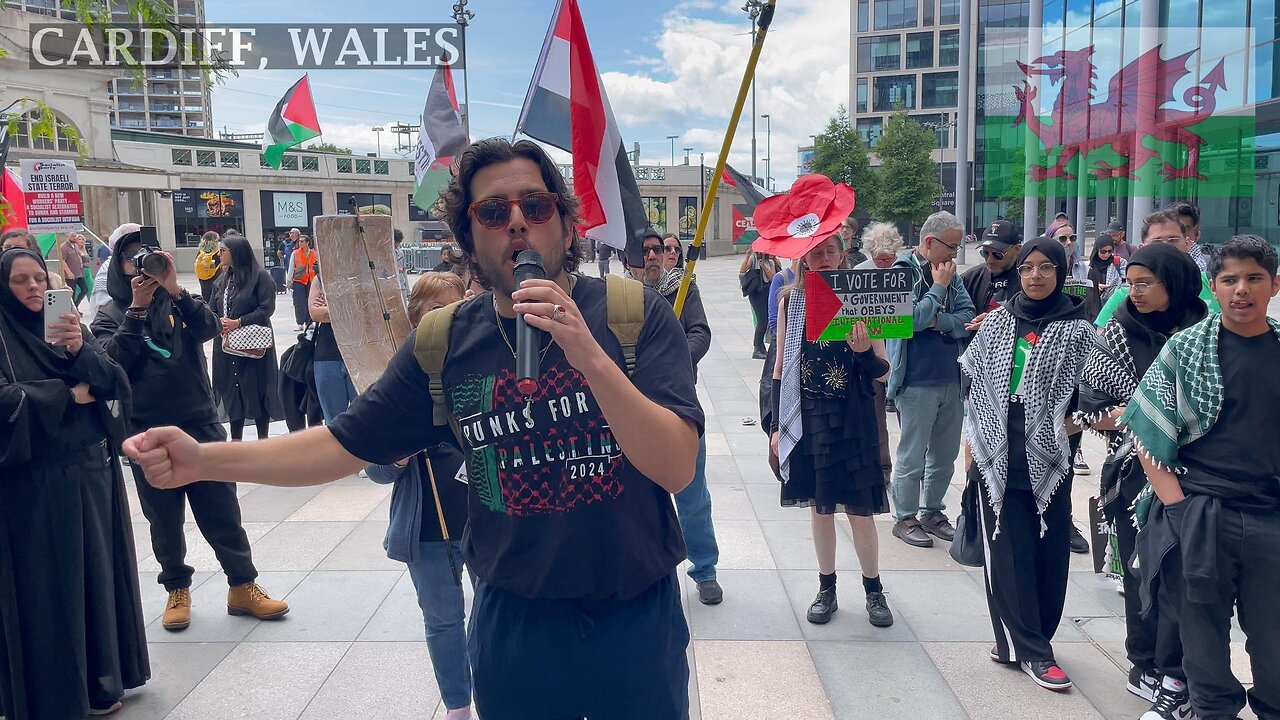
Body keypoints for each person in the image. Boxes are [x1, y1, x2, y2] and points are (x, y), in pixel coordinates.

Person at [123, 137, 702, 720]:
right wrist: (202, 461)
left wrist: (591, 358)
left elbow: (677, 467)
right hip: (516, 623)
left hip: (635, 616)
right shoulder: (445, 342)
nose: (519, 223)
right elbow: (341, 443)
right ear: (470, 239)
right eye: (494, 212)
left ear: (568, 225)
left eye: (537, 205)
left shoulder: (634, 313)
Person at [90, 231, 288, 632]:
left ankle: (242, 585)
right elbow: (112, 365)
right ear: (119, 269)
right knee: (163, 517)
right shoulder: (111, 314)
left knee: (222, 508)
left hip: (199, 421)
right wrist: (137, 310)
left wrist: (175, 288)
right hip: (146, 429)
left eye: (148, 259)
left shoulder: (181, 305)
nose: (142, 268)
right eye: (131, 261)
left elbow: (210, 327)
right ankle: (176, 588)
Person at [1123, 235, 1280, 720]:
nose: (1242, 290)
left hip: (1271, 519)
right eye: (1230, 279)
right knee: (1203, 648)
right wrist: (1178, 509)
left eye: (1254, 278)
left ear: (1275, 284)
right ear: (1213, 286)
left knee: (1274, 645)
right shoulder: (1187, 349)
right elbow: (1148, 435)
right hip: (1201, 514)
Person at [0, 248, 150, 719]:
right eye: (20, 281)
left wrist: (79, 351)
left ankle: (101, 680)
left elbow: (115, 383)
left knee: (95, 581)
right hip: (34, 488)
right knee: (50, 588)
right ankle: (54, 693)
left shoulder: (69, 328)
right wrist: (67, 394)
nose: (33, 288)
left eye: (39, 278)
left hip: (89, 476)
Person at [960, 235, 1098, 691]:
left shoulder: (1079, 330)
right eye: (1027, 268)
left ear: (1061, 272)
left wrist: (1064, 425)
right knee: (1009, 553)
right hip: (997, 459)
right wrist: (972, 453)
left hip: (1050, 463)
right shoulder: (997, 323)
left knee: (1049, 554)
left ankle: (1028, 638)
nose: (1035, 276)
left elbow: (1100, 395)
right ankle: (1036, 653)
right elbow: (975, 390)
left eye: (1046, 268)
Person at [1076, 244, 1206, 717]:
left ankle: (1184, 666)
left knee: (1189, 575)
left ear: (1176, 283)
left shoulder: (1204, 332)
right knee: (1142, 570)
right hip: (1134, 475)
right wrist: (1150, 421)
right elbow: (1089, 409)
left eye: (1146, 282)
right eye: (1131, 283)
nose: (1136, 292)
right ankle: (1144, 662)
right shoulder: (1117, 334)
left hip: (1199, 474)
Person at [770, 232, 894, 628]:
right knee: (820, 509)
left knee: (860, 511)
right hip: (809, 416)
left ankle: (874, 591)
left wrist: (862, 353)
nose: (823, 258)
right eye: (815, 253)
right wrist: (776, 425)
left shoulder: (863, 296)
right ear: (804, 258)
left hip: (854, 415)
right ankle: (826, 587)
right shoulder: (792, 299)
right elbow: (779, 369)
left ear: (843, 254)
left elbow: (883, 369)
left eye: (830, 251)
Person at [368, 271, 472, 719]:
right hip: (429, 529)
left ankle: (497, 692)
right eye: (435, 310)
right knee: (444, 619)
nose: (446, 318)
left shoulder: (482, 366)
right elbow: (372, 466)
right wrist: (397, 456)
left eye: (455, 308)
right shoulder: (399, 382)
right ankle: (457, 703)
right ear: (415, 319)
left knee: (495, 615)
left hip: (488, 521)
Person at [629, 229, 723, 605]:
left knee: (692, 493)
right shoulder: (618, 300)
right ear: (632, 259)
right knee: (635, 496)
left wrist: (674, 357)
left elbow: (700, 331)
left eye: (661, 250)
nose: (654, 256)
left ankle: (705, 569)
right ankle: (642, 566)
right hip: (634, 410)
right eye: (646, 251)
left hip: (679, 405)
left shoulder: (682, 289)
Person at [886, 211, 976, 548]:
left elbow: (966, 317)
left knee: (944, 453)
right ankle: (905, 516)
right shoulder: (902, 271)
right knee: (913, 453)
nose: (955, 254)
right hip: (916, 380)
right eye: (951, 246)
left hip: (952, 377)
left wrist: (937, 320)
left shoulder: (952, 275)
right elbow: (907, 320)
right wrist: (937, 290)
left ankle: (932, 511)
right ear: (929, 242)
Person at [210, 235, 284, 441]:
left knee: (256, 390)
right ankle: (236, 440)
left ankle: (262, 441)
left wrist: (239, 322)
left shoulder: (260, 277)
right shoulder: (222, 280)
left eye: (223, 250)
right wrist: (219, 323)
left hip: (252, 347)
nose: (219, 254)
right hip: (226, 346)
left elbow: (266, 308)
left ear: (236, 253)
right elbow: (211, 308)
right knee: (233, 392)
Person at [1095, 210, 1221, 328]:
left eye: (1173, 240)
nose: (1166, 248)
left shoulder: (1216, 286)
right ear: (1142, 248)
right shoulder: (1124, 296)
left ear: (1188, 244)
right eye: (1157, 242)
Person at [853, 222, 905, 481]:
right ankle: (882, 467)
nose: (885, 264)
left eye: (890, 259)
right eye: (880, 259)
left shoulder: (905, 272)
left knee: (906, 415)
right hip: (872, 352)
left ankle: (909, 469)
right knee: (875, 415)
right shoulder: (859, 273)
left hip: (902, 350)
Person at [309, 271, 359, 424]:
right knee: (334, 423)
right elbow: (315, 313)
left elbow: (368, 311)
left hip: (360, 355)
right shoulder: (320, 278)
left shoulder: (364, 275)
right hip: (327, 354)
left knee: (365, 419)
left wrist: (331, 306)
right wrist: (349, 307)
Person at [962, 220, 1023, 329]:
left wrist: (996, 322)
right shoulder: (970, 278)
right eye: (985, 253)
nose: (990, 260)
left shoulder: (1029, 280)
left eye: (997, 255)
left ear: (1017, 249)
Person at [87, 223, 140, 324]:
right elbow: (102, 309)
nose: (138, 258)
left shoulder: (153, 267)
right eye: (130, 255)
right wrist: (137, 310)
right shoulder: (108, 269)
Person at [740, 249, 778, 360]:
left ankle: (761, 347)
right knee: (762, 320)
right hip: (756, 293)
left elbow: (773, 277)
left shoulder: (770, 262)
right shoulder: (754, 259)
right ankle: (757, 348)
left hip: (766, 292)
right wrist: (747, 256)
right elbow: (742, 271)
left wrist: (764, 266)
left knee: (766, 320)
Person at [1164, 201, 1208, 271]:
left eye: (1184, 229)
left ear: (1197, 235)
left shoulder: (1214, 266)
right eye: (1172, 229)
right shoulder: (1149, 265)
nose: (1178, 234)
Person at [289, 234, 318, 331]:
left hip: (311, 280)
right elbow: (291, 267)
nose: (300, 243)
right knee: (299, 302)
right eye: (299, 241)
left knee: (310, 302)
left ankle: (309, 322)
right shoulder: (295, 253)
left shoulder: (314, 253)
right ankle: (300, 323)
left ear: (308, 243)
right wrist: (289, 281)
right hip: (299, 280)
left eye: (302, 241)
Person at [60, 232, 89, 306]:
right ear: (67, 236)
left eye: (75, 236)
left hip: (79, 273)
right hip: (70, 275)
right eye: (72, 236)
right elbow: (62, 260)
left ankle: (76, 306)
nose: (74, 237)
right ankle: (72, 309)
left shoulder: (75, 246)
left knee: (85, 289)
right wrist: (69, 272)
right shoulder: (64, 247)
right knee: (72, 292)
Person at [194, 230, 222, 300]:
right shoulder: (217, 253)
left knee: (205, 296)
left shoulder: (200, 253)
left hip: (202, 279)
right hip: (215, 278)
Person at [393, 228, 411, 301]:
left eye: (399, 242)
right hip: (392, 287)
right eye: (396, 242)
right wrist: (397, 270)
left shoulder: (400, 253)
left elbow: (404, 272)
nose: (397, 245)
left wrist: (408, 292)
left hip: (401, 286)